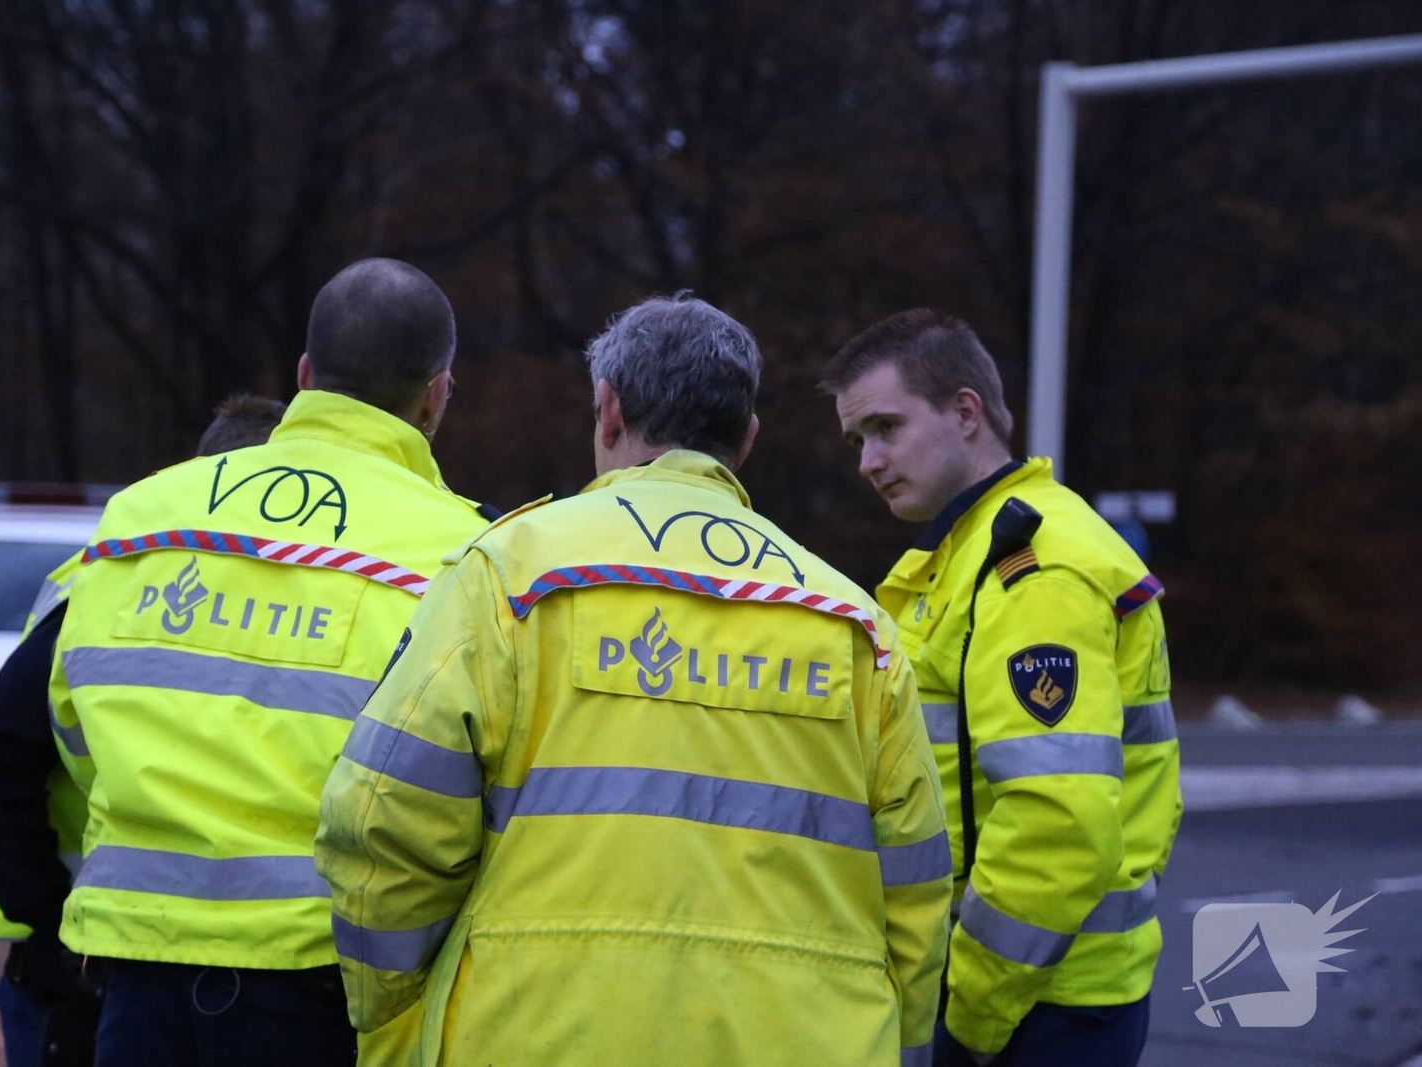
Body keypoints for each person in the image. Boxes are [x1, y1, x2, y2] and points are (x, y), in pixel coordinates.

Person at [315, 294, 951, 1067]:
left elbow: (384, 819)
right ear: (743, 442)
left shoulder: (510, 575)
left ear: (608, 412)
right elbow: (915, 893)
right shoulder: (854, 625)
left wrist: (392, 1018)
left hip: (534, 1030)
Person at [0, 259, 493, 1067]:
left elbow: (49, 729)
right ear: (437, 392)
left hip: (132, 980)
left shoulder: (141, 518)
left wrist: (59, 920)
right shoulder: (464, 551)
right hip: (324, 988)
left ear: (306, 375)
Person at [821, 309, 1181, 1067]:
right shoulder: (971, 555)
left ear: (965, 411)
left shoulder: (1032, 568)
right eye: (858, 440)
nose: (868, 461)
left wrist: (970, 1019)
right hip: (1030, 984)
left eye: (886, 427)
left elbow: (1057, 820)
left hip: (1034, 1000)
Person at [0, 395, 290, 1067]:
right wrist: (54, 925)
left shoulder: (129, 578)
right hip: (90, 962)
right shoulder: (111, 585)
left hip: (123, 952)